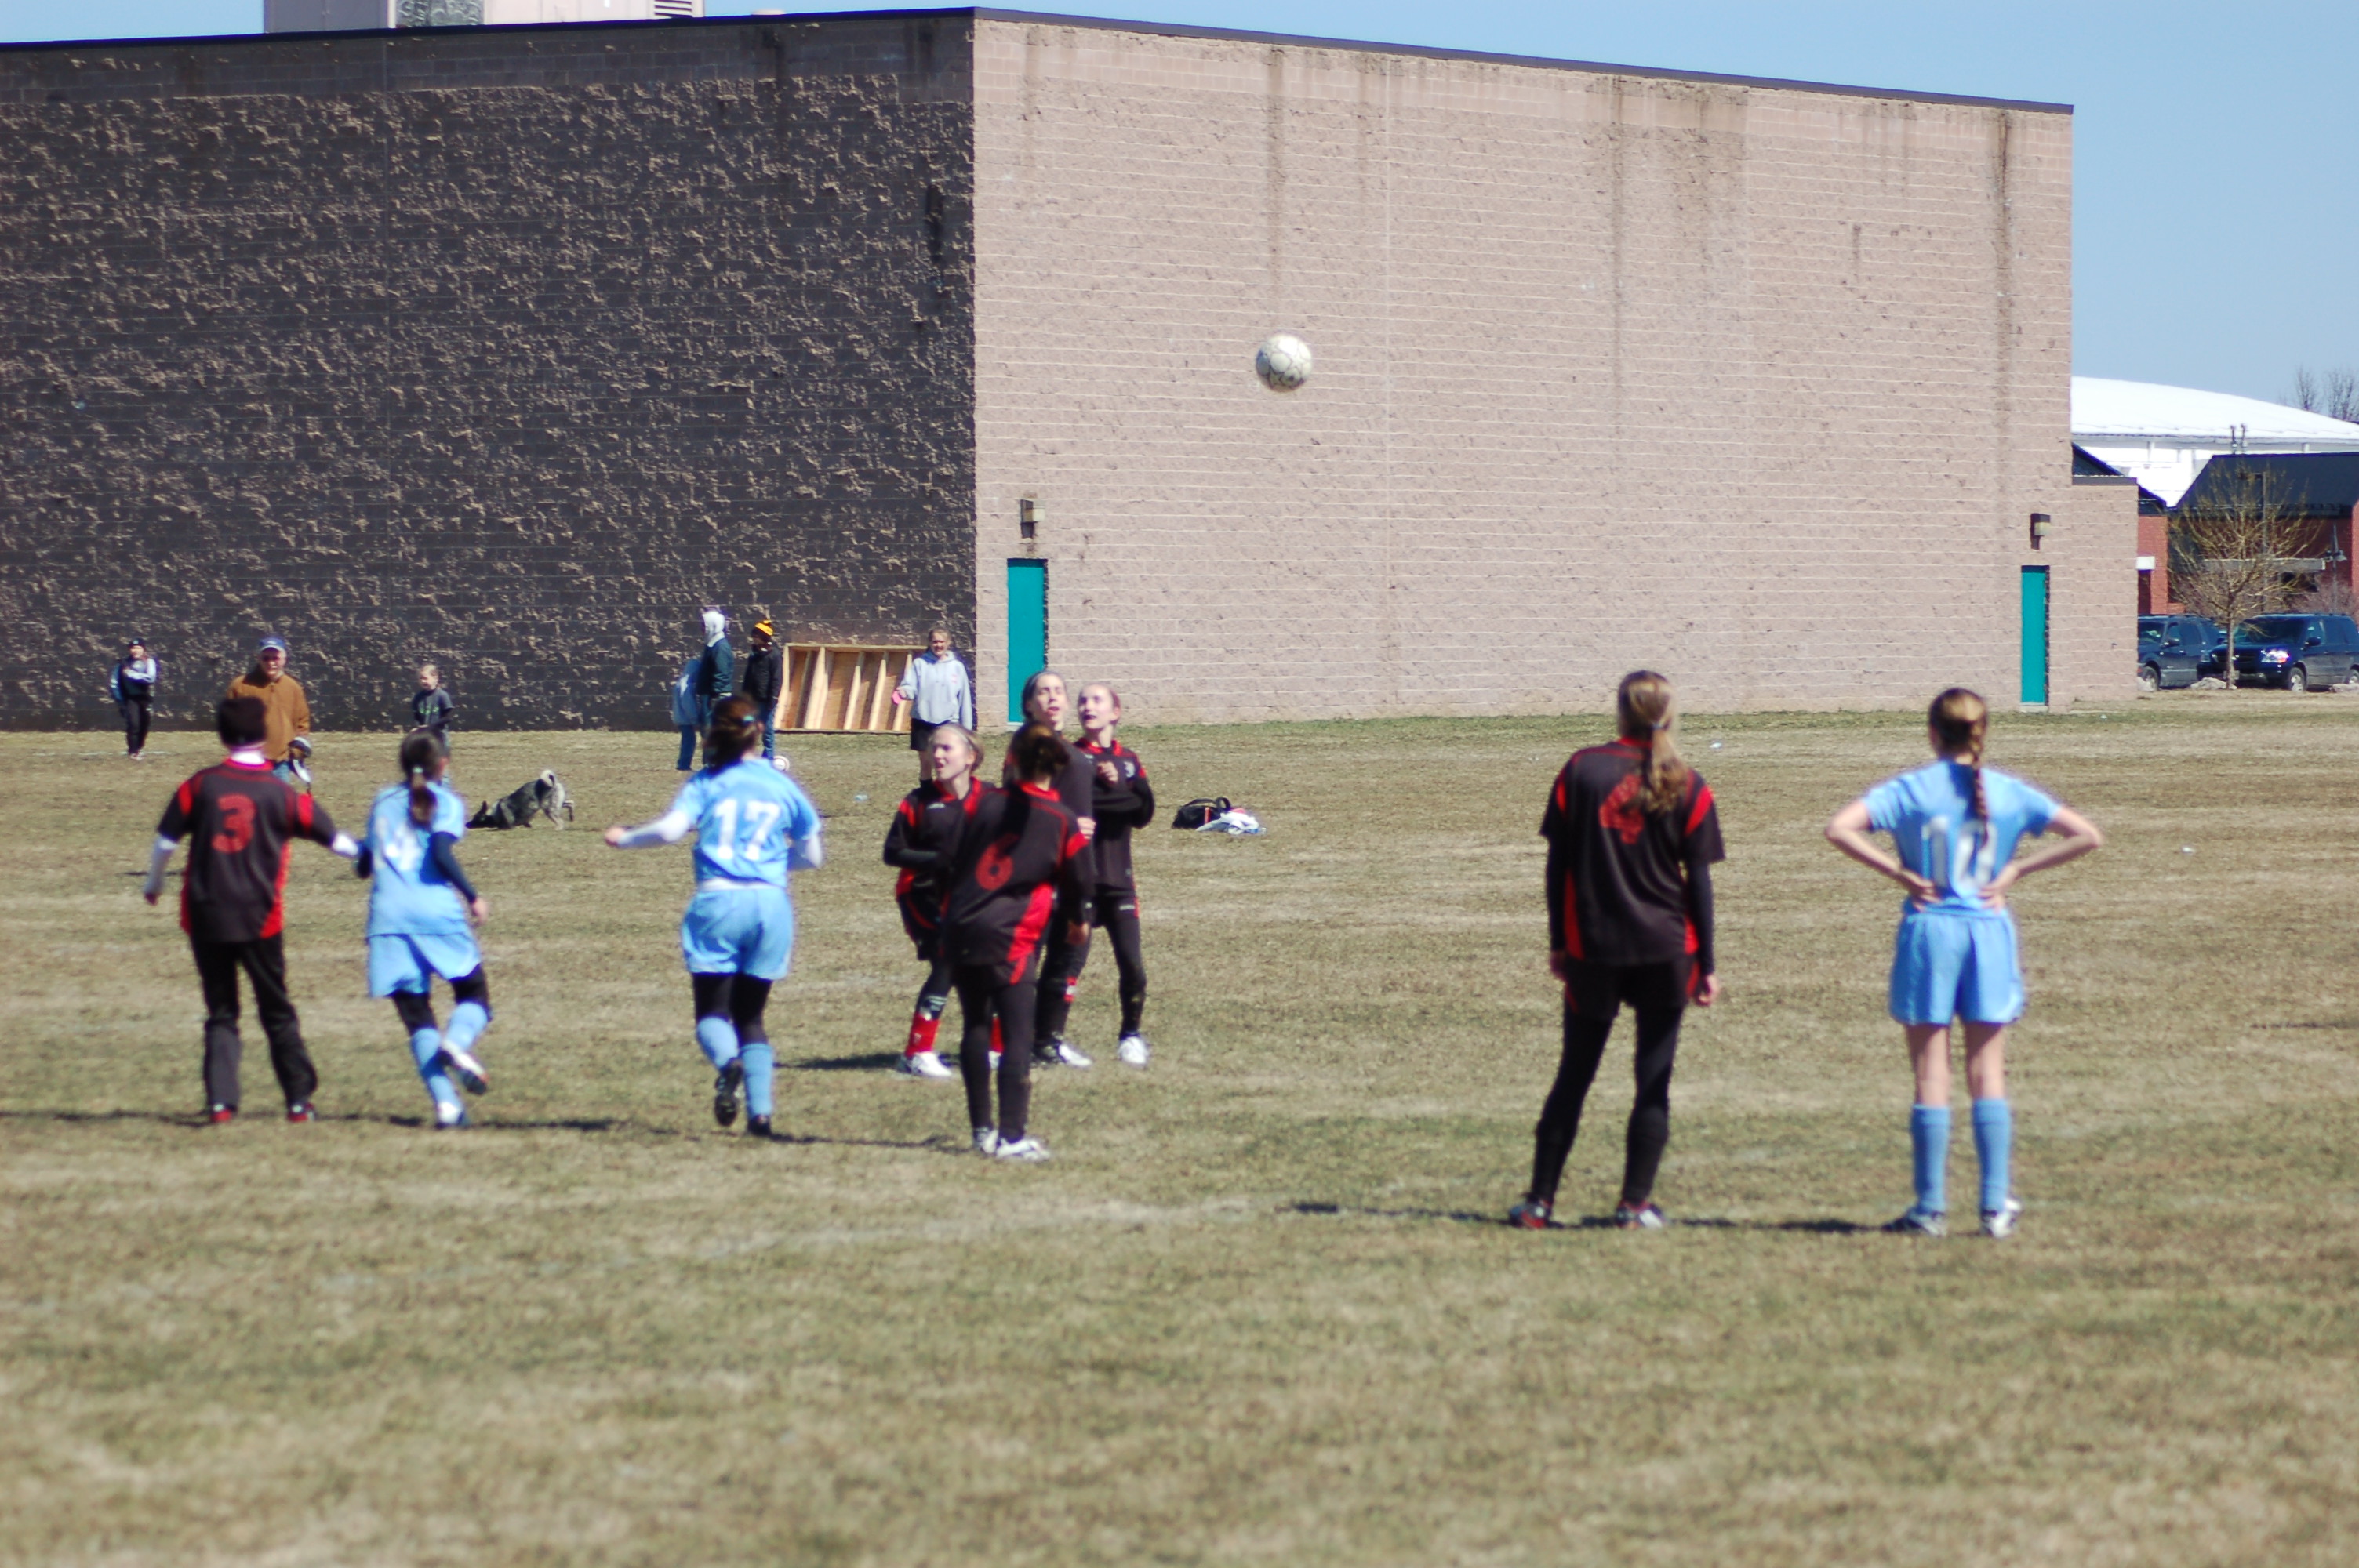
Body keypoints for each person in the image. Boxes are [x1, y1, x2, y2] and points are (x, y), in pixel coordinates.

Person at [1824, 688, 2103, 1239]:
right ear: (1983, 733)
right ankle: (1994, 1206)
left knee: (1931, 1072)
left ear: (1933, 733)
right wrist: (2016, 871)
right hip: (1988, 936)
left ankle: (1929, 1209)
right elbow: (2087, 836)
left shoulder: (1910, 789)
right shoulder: (2008, 791)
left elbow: (1839, 827)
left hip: (1930, 934)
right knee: (1987, 1071)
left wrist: (1899, 873)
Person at [1510, 671, 1725, 1232]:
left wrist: (1559, 942)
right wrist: (1707, 966)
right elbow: (1698, 882)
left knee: (1574, 1074)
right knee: (1653, 1078)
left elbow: (1557, 867)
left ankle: (1539, 1204)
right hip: (1668, 949)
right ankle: (1634, 1206)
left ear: (1621, 711)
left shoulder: (1581, 770)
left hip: (1594, 946)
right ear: (1668, 714)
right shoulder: (1687, 780)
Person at [606, 697, 823, 1139]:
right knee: (751, 1017)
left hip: (719, 902)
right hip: (771, 906)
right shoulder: (782, 785)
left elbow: (670, 830)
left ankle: (728, 1064)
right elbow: (813, 856)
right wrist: (768, 865)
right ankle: (760, 1116)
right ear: (758, 731)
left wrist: (625, 838)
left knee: (712, 1013)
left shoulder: (707, 781)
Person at [143, 695, 360, 1123]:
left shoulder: (199, 785)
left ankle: (221, 1102)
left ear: (222, 736)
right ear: (264, 736)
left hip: (205, 913)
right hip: (260, 916)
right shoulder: (279, 792)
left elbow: (166, 841)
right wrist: (367, 855)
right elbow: (334, 839)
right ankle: (299, 1101)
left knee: (222, 1011)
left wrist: (154, 884)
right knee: (276, 1009)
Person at [940, 721, 1091, 1160]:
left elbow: (951, 858)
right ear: (1058, 766)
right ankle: (1011, 1136)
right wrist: (1078, 921)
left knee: (975, 1024)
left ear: (1013, 761)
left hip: (962, 925)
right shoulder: (1060, 818)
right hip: (1010, 936)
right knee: (1017, 1038)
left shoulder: (983, 802)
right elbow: (1081, 881)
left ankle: (981, 1131)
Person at [356, 731, 493, 1130]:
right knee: (474, 994)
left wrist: (361, 858)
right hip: (435, 913)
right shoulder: (446, 802)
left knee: (418, 1018)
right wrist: (473, 896)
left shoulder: (383, 801)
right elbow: (440, 852)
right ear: (443, 764)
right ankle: (457, 1043)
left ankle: (447, 1105)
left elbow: (364, 863)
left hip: (387, 920)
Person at [883, 724, 987, 1080]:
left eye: (946, 748)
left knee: (990, 966)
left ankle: (996, 1047)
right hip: (921, 894)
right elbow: (893, 852)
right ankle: (916, 1053)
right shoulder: (919, 801)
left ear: (970, 756)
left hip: (970, 899)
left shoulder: (990, 798)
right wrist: (941, 861)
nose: (937, 756)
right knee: (948, 959)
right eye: (934, 749)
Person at [1008, 670, 1097, 1068]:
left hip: (1074, 868)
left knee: (1068, 959)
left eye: (1059, 690)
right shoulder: (1028, 749)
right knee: (1026, 961)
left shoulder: (1070, 749)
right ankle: (1012, 1041)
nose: (1054, 697)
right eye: (1044, 692)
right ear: (1029, 705)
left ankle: (1047, 1041)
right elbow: (1019, 805)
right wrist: (1067, 824)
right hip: (1040, 871)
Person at [1077, 682, 1155, 1067]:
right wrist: (1119, 793)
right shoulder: (1071, 757)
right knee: (1067, 965)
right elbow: (1084, 804)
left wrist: (1120, 786)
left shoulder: (1129, 760)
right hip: (1079, 883)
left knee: (1133, 966)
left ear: (1115, 712)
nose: (1087, 706)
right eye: (1082, 700)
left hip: (1120, 883)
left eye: (1097, 700)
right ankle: (1047, 1038)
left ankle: (1131, 1035)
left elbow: (1143, 812)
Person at [226, 636, 312, 786]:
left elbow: (302, 722)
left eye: (275, 658)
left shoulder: (293, 687)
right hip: (249, 762)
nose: (271, 663)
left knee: (280, 801)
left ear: (284, 658)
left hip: (280, 764)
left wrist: (297, 749)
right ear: (258, 658)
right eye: (266, 658)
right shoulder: (241, 686)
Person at [892, 627, 976, 777]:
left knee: (946, 765)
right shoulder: (920, 664)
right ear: (930, 643)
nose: (938, 645)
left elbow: (964, 698)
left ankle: (945, 791)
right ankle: (926, 791)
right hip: (923, 721)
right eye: (935, 642)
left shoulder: (957, 667)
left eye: (942, 642)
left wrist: (967, 728)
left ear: (948, 643)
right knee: (926, 765)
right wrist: (903, 692)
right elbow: (910, 686)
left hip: (948, 722)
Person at [673, 609, 735, 772]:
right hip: (708, 695)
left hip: (715, 696)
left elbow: (721, 674)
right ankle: (709, 762)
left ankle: (714, 763)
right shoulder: (711, 645)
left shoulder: (720, 647)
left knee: (713, 730)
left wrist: (716, 696)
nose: (702, 629)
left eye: (704, 625)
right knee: (707, 731)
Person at [741, 619, 786, 766]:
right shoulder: (754, 654)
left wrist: (773, 697)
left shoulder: (774, 655)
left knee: (767, 729)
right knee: (747, 728)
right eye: (753, 636)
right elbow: (748, 676)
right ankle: (746, 756)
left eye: (757, 636)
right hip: (751, 699)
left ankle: (769, 756)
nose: (754, 639)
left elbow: (777, 678)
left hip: (766, 700)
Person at [108, 639, 159, 760]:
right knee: (133, 724)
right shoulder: (123, 664)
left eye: (138, 648)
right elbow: (114, 682)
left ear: (143, 650)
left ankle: (139, 747)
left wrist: (131, 675)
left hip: (145, 698)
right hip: (130, 698)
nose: (135, 650)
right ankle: (133, 750)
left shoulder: (149, 662)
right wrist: (120, 699)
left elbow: (150, 678)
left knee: (144, 723)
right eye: (133, 648)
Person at [411, 665, 455, 747]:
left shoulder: (442, 695)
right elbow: (417, 716)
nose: (423, 681)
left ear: (435, 678)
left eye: (425, 678)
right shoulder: (418, 697)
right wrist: (418, 728)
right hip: (425, 736)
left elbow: (448, 717)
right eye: (421, 678)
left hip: (440, 736)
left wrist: (431, 726)